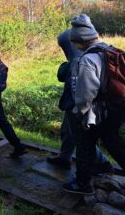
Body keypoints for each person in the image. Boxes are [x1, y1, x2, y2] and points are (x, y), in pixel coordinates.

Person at [63, 14, 125, 195]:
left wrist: (79, 112)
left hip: (101, 110)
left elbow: (84, 96)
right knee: (112, 141)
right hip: (117, 106)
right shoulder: (109, 50)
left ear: (79, 41)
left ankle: (82, 184)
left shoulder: (87, 60)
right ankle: (99, 168)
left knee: (84, 141)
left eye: (74, 42)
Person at [47, 30, 111, 171]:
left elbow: (62, 74)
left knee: (81, 139)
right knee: (67, 132)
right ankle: (64, 158)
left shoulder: (78, 61)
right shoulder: (92, 55)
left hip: (78, 107)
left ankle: (101, 163)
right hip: (82, 104)